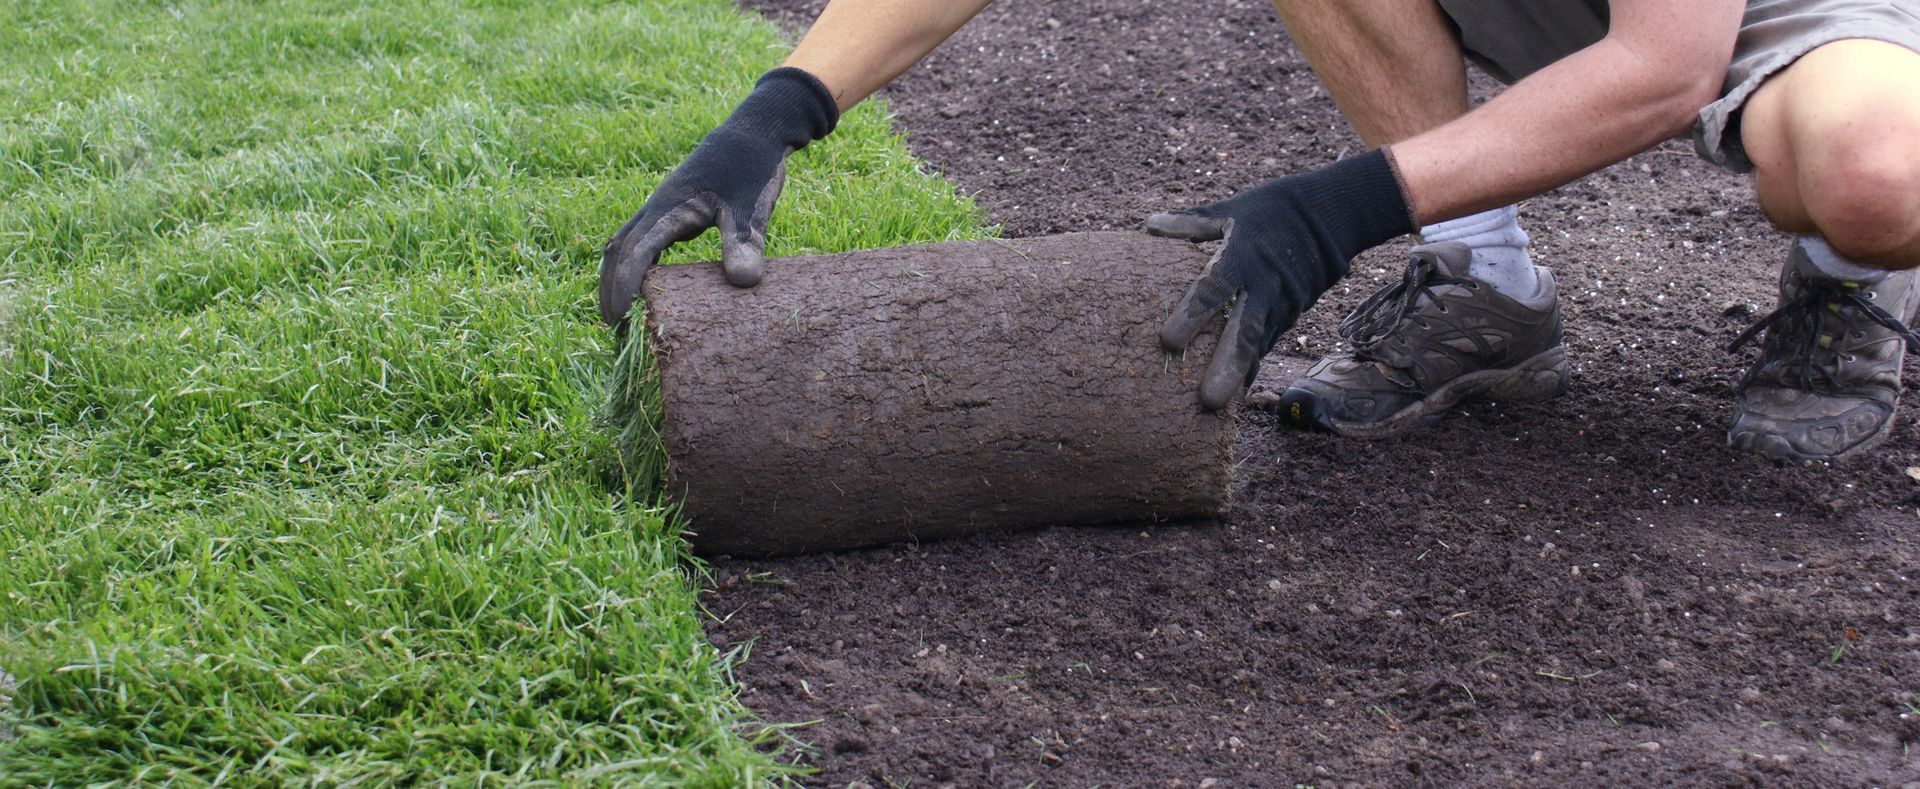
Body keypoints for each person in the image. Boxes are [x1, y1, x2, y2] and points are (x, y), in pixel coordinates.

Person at [599, 1, 1920, 462]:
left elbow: (1666, 66)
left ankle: (1851, 288)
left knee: (1873, 174)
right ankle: (1488, 285)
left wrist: (1335, 208)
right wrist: (784, 107)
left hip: (1793, 20)